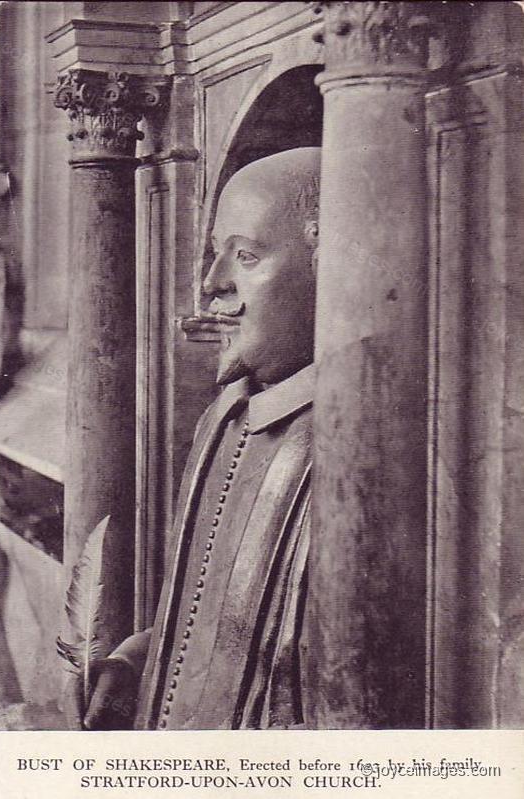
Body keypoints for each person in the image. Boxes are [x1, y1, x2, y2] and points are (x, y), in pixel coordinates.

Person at [64, 146, 321, 730]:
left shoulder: (357, 445)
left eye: (246, 257)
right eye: (215, 255)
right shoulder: (225, 417)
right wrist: (138, 662)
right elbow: (206, 612)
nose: (212, 285)